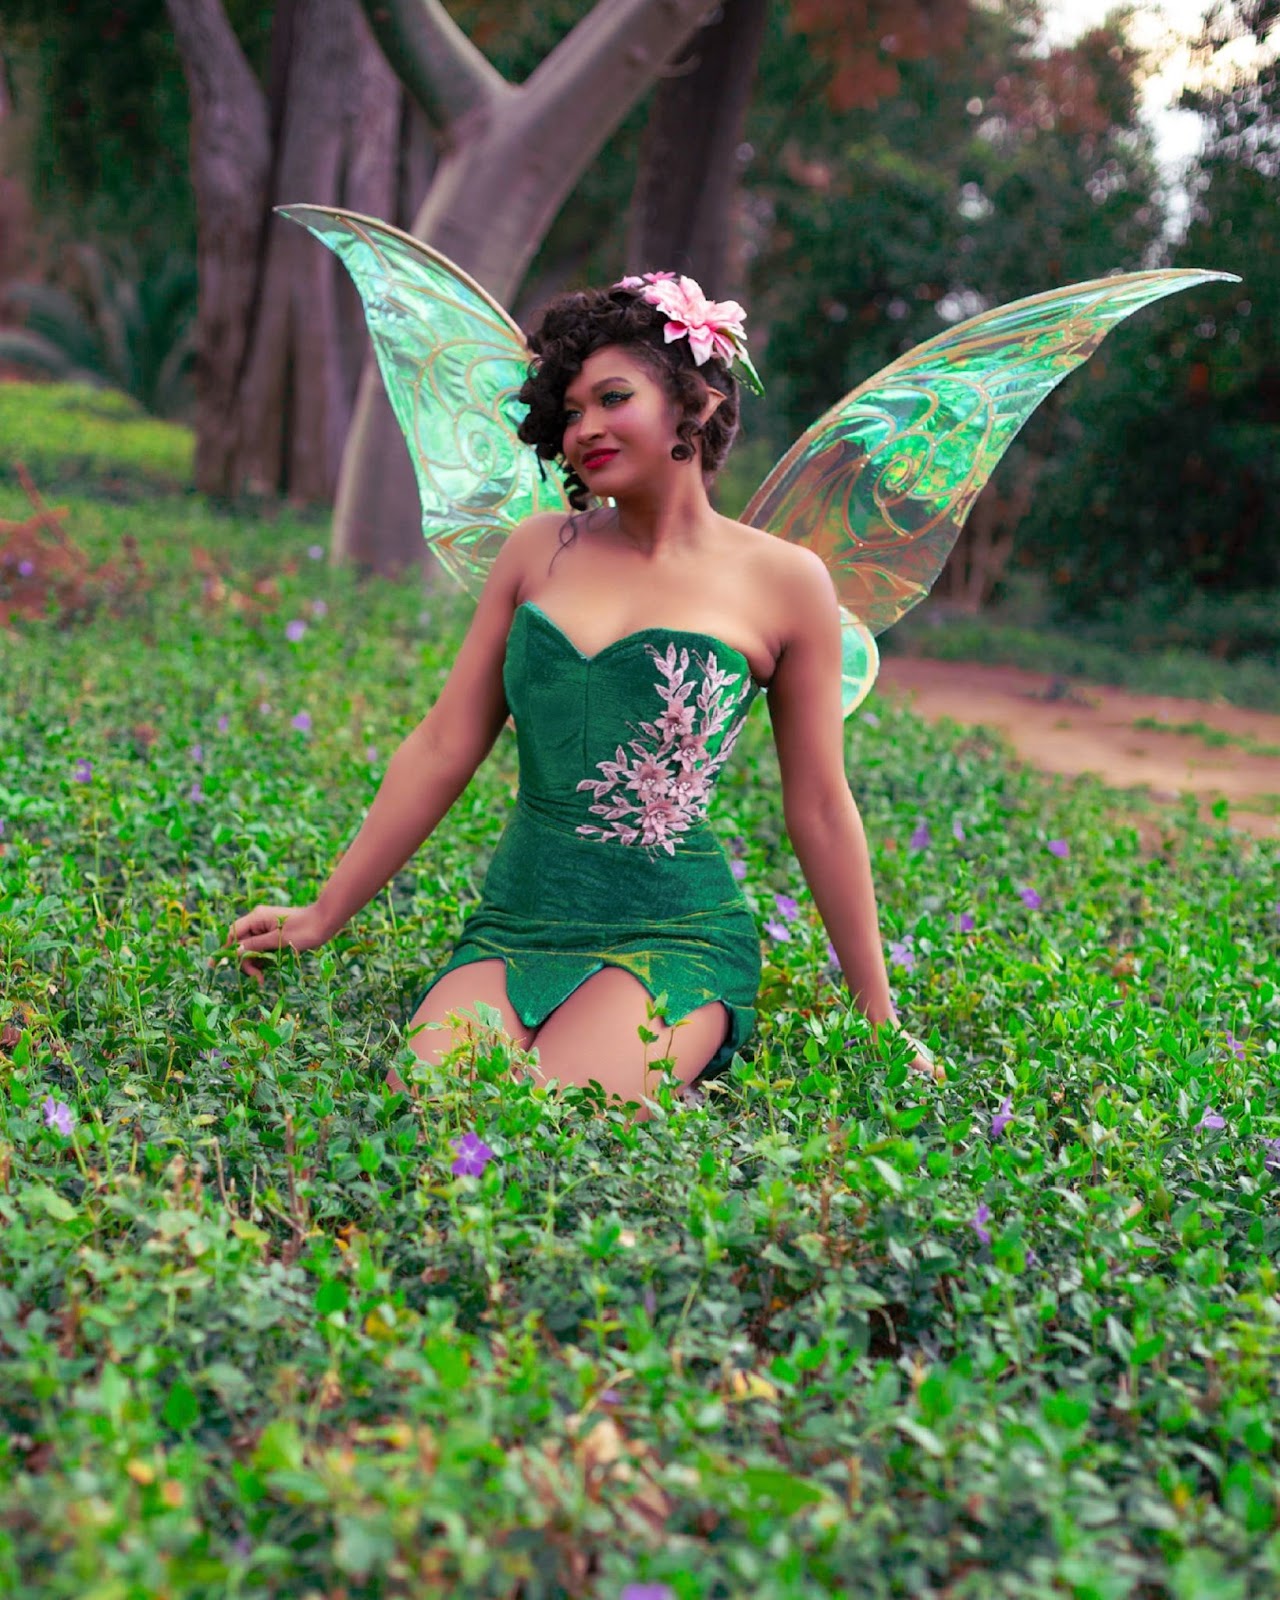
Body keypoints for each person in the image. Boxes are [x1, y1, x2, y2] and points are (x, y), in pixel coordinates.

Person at [226, 275, 942, 1118]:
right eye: (569, 412)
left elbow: (820, 805)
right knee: (428, 1110)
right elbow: (443, 745)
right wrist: (323, 912)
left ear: (697, 403)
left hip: (676, 933)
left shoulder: (787, 582)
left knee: (562, 1115)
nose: (587, 428)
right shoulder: (536, 552)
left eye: (613, 398)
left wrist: (878, 1013)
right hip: (518, 920)